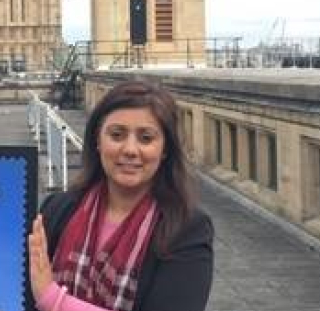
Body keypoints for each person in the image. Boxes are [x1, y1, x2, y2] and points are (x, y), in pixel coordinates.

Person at [27, 80, 214, 311]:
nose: (130, 150)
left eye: (146, 138)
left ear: (165, 149)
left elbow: (42, 293)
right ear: (97, 140)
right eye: (117, 135)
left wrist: (54, 300)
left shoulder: (186, 230)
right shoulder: (58, 209)